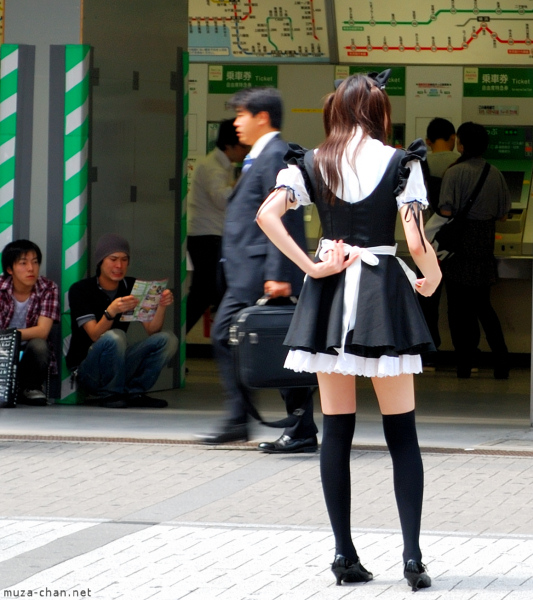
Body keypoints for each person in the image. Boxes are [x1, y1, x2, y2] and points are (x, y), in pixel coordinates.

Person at [256, 71, 441, 589]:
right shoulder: (402, 162)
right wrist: (432, 275)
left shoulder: (311, 162)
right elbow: (413, 232)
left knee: (336, 429)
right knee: (401, 432)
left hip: (331, 297)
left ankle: (344, 555)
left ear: (335, 109)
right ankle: (412, 558)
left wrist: (312, 267)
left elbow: (267, 216)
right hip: (383, 296)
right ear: (380, 111)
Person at [199, 87, 318, 453]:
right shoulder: (258, 157)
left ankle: (276, 424)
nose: (236, 123)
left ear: (261, 117)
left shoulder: (277, 155)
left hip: (261, 274)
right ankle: (279, 424)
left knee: (257, 342)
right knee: (267, 344)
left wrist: (279, 273)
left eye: (241, 115)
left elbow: (288, 216)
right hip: (247, 272)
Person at [66, 233, 178, 408]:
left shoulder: (132, 286)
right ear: (100, 261)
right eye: (113, 259)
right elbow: (95, 335)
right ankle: (110, 394)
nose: (119, 265)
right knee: (115, 336)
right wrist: (111, 311)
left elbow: (152, 330)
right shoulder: (81, 290)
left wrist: (161, 305)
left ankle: (135, 392)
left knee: (167, 339)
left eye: (124, 260)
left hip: (119, 364)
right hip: (87, 369)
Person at [438, 122, 511, 379]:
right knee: (484, 307)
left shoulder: (454, 173)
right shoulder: (496, 173)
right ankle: (501, 362)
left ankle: (464, 365)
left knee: (458, 309)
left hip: (460, 247)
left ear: (461, 144)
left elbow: (446, 211)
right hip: (483, 246)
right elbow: (503, 215)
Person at [186, 119, 249, 333]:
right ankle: (175, 344)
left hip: (210, 238)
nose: (245, 151)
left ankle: (177, 343)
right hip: (207, 239)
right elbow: (222, 199)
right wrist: (243, 181)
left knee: (207, 294)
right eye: (243, 146)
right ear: (230, 146)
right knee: (206, 294)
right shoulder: (211, 166)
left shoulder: (221, 165)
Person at [419, 118, 461, 368]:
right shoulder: (461, 165)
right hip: (456, 243)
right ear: (454, 138)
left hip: (426, 241)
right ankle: (462, 355)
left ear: (428, 142)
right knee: (458, 304)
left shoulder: (421, 165)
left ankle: (429, 352)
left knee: (427, 302)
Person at [0, 239, 60, 407]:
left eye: (35, 262)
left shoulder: (48, 288)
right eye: (23, 263)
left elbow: (42, 332)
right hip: (2, 348)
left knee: (40, 345)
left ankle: (30, 388)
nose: (31, 268)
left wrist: (9, 335)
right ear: (9, 269)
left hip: (29, 349)